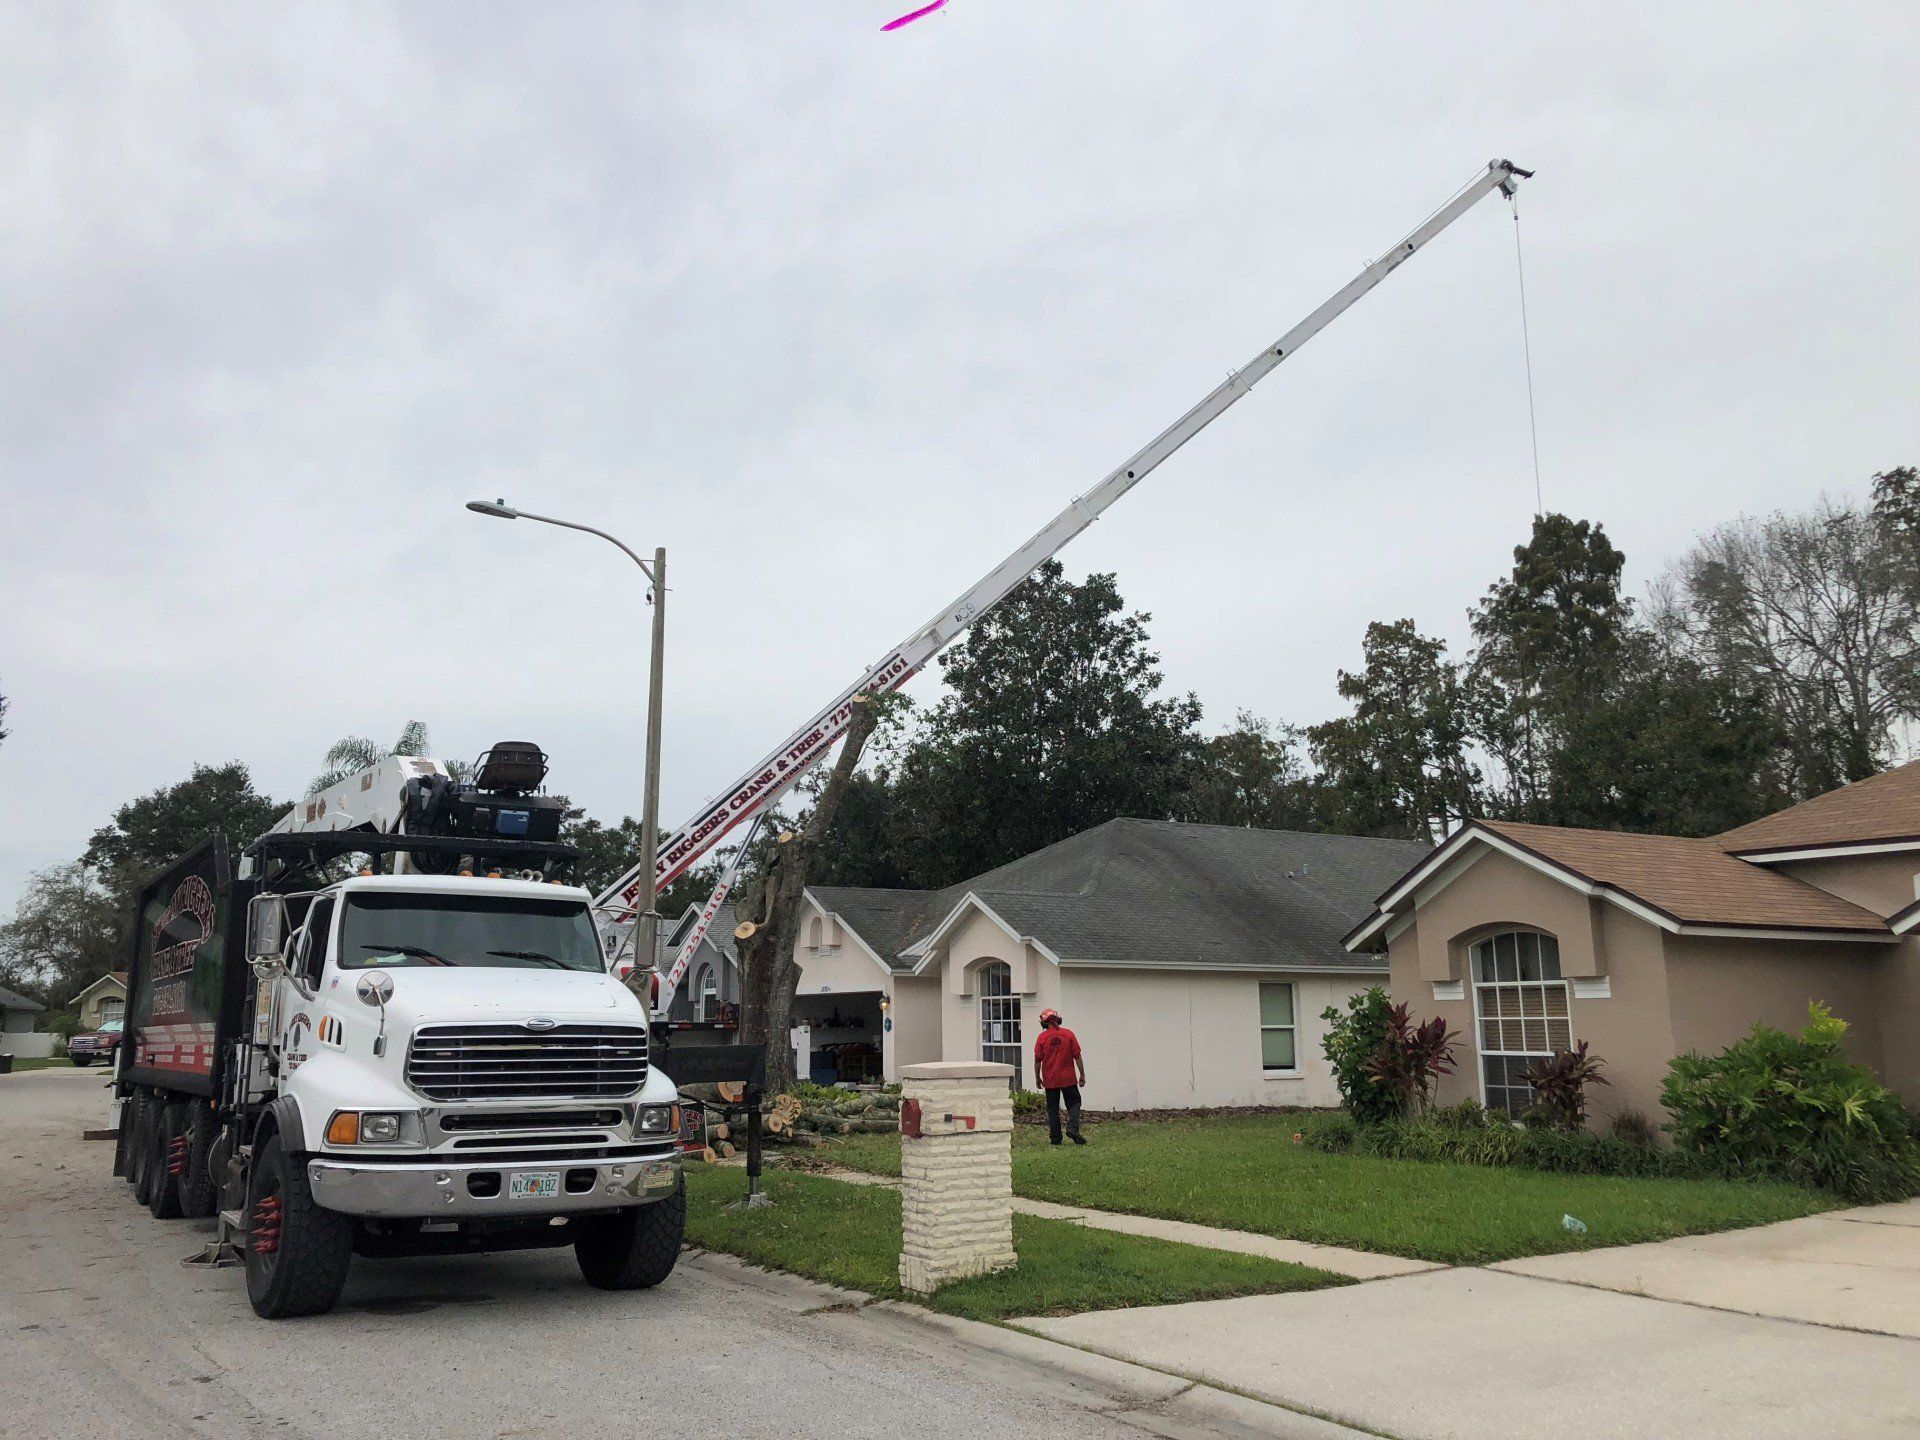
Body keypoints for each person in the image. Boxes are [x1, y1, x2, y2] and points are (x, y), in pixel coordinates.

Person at [1032, 1007, 1086, 1146]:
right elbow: (1077, 1056)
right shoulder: (1068, 1034)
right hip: (1068, 1078)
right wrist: (1082, 1074)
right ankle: (1072, 1127)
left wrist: (1038, 1077)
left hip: (1050, 1079)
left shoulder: (1042, 1038)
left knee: (1053, 1108)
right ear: (1058, 1020)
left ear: (1044, 1023)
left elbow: (1038, 1060)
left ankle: (1055, 1138)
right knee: (1074, 1103)